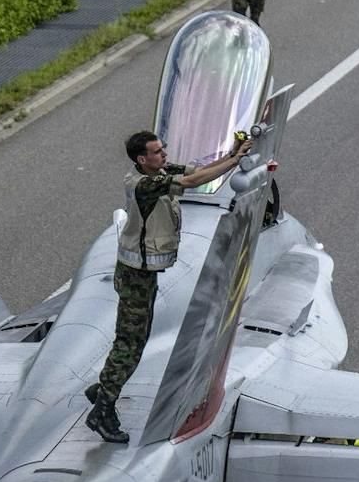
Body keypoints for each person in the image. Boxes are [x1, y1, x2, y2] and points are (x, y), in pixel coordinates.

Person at [85, 130, 252, 442]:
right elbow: (191, 183)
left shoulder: (158, 171)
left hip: (142, 273)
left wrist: (232, 154)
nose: (164, 155)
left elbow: (197, 170)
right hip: (136, 276)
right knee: (130, 345)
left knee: (134, 339)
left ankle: (105, 386)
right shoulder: (145, 185)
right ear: (141, 159)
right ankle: (102, 409)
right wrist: (235, 160)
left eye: (163, 150)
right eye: (157, 152)